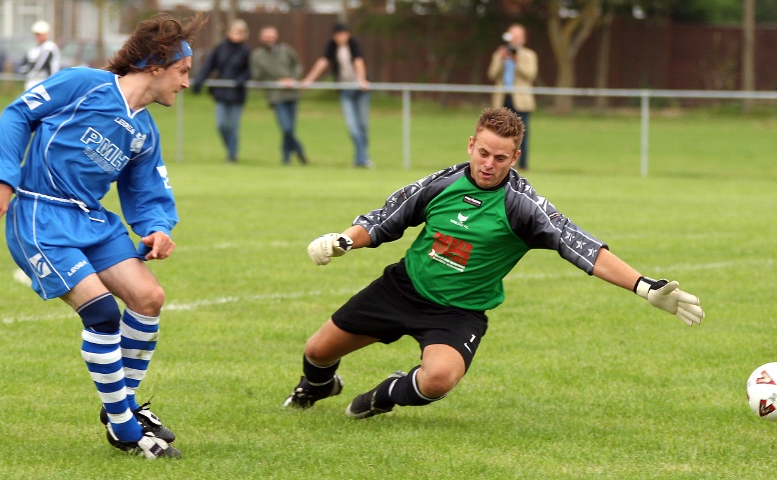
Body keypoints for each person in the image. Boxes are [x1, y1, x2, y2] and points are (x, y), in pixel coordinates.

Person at [282, 107, 704, 419]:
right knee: (317, 351)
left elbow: (583, 247)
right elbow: (384, 220)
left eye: (500, 158)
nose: (488, 164)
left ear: (515, 157)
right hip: (402, 289)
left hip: (458, 312)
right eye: (483, 153)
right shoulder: (441, 183)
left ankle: (387, 393)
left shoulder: (523, 206)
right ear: (471, 144)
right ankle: (318, 387)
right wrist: (343, 241)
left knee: (438, 380)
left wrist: (644, 286)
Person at [0, 12, 206, 459]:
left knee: (148, 298)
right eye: (182, 72)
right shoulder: (83, 84)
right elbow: (16, 114)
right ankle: (126, 429)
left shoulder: (144, 130)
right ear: (156, 65)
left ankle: (119, 406)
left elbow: (147, 191)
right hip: (39, 214)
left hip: (92, 220)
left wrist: (158, 228)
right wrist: (4, 180)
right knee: (102, 312)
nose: (185, 83)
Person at [301, 22, 373, 169]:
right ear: (334, 36)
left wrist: (361, 80)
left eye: (344, 34)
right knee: (352, 126)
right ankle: (363, 159)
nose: (342, 37)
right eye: (339, 35)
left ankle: (361, 158)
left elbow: (359, 61)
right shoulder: (332, 46)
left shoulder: (354, 43)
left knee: (363, 125)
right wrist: (308, 80)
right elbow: (322, 62)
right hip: (345, 89)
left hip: (361, 89)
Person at [192, 19, 251, 163]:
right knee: (221, 125)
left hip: (237, 93)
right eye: (236, 31)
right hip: (221, 93)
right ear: (229, 32)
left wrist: (241, 79)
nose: (238, 34)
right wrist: (199, 80)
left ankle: (232, 155)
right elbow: (209, 65)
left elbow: (250, 69)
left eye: (241, 32)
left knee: (234, 127)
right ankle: (230, 150)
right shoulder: (220, 48)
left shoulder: (246, 50)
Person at [250, 25, 308, 166]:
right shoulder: (257, 55)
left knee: (289, 129)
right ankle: (299, 151)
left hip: (292, 93)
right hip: (276, 95)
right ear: (261, 38)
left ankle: (286, 158)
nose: (270, 39)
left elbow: (298, 66)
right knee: (286, 128)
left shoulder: (286, 50)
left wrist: (292, 78)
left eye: (272, 35)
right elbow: (257, 76)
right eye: (267, 36)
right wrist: (276, 81)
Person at [488, 23, 537, 171]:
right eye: (512, 36)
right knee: (498, 134)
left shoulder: (529, 55)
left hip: (521, 100)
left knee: (522, 134)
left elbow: (530, 75)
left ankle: (522, 165)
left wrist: (517, 62)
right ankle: (499, 164)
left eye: (518, 36)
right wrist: (502, 60)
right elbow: (492, 74)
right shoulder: (499, 54)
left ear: (523, 39)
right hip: (502, 99)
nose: (514, 39)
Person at [18, 20, 61, 90]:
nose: (40, 37)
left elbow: (39, 65)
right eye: (38, 34)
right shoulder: (34, 49)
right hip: (32, 82)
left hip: (47, 82)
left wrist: (29, 69)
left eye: (42, 34)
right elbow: (23, 65)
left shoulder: (49, 46)